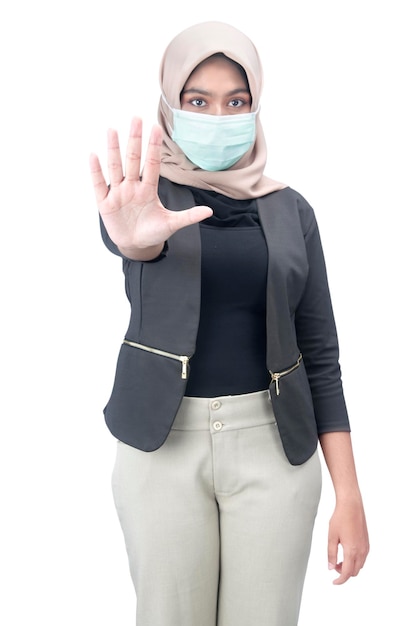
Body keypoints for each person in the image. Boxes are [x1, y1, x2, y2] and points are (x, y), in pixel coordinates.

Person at [89, 20, 369, 626]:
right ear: (170, 104)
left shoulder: (292, 210)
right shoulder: (142, 196)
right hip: (161, 447)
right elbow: (128, 240)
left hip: (275, 448)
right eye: (198, 102)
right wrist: (133, 243)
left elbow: (321, 355)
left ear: (256, 106)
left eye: (235, 102)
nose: (218, 117)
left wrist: (349, 494)